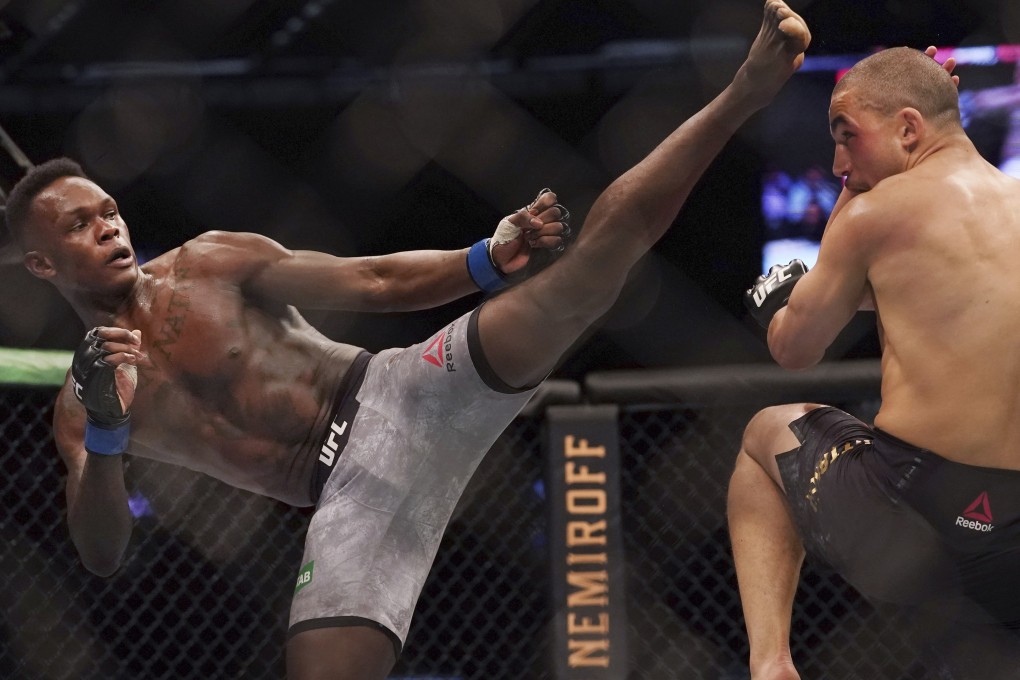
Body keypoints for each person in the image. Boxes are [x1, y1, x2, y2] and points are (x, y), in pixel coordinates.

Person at [8, 2, 810, 678]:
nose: (109, 228)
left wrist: (484, 260)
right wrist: (111, 436)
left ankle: (743, 91)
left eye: (108, 209)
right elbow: (102, 551)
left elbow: (372, 281)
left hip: (404, 389)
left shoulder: (212, 263)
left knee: (592, 268)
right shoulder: (82, 408)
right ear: (40, 262)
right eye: (81, 226)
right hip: (347, 501)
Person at [731, 45, 1020, 680]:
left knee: (763, 433)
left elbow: (793, 349)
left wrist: (781, 298)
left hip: (914, 504)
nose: (839, 163)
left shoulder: (874, 214)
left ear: (909, 128)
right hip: (1011, 533)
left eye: (847, 137)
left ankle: (772, 665)